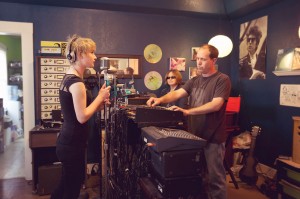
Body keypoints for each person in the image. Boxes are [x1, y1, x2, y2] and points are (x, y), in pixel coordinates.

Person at [147, 44, 231, 199]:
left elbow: (216, 104)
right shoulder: (194, 80)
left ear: (214, 60)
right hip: (195, 136)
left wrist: (187, 112)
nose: (198, 62)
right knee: (199, 176)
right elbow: (177, 94)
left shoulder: (222, 79)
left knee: (215, 179)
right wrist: (159, 99)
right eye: (197, 59)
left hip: (213, 137)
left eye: (203, 59)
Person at [51, 34, 111, 199]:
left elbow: (83, 110)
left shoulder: (70, 78)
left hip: (69, 142)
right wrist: (99, 97)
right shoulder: (77, 83)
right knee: (71, 190)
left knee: (65, 185)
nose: (95, 56)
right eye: (92, 52)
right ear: (81, 54)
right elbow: (82, 117)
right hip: (71, 145)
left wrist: (99, 103)